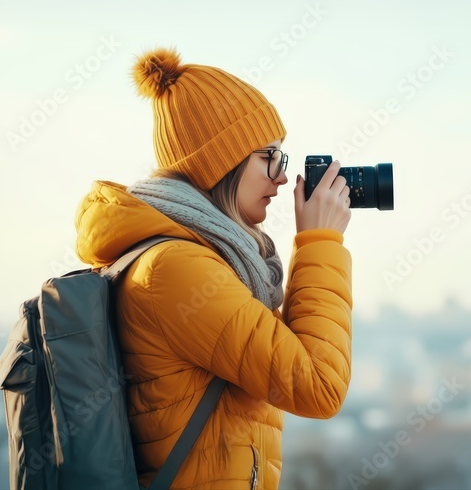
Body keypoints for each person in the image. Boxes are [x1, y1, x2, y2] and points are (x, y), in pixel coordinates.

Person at [74, 47, 354, 490]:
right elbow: (318, 384)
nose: (282, 178)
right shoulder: (176, 269)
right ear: (220, 162)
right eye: (269, 157)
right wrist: (320, 242)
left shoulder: (200, 260)